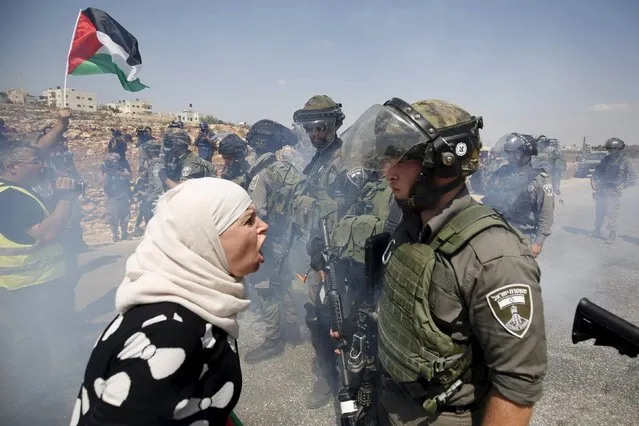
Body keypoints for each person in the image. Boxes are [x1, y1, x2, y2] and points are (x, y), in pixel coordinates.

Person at [337, 98, 547, 426]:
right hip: (388, 403)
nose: (385, 171)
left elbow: (516, 388)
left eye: (398, 158)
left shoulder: (494, 256)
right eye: (384, 158)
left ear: (443, 162)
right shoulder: (409, 226)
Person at [70, 177, 268, 425]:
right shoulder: (170, 333)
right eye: (248, 221)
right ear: (204, 239)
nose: (263, 226)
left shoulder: (195, 306)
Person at [0, 141, 81, 422]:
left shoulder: (20, 192)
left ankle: (44, 383)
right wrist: (64, 198)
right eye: (35, 162)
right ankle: (34, 400)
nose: (42, 166)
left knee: (45, 335)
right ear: (13, 167)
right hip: (25, 285)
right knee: (29, 340)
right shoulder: (11, 196)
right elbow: (46, 233)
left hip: (36, 282)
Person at [292, 94, 348, 408]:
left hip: (340, 259)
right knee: (316, 319)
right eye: (310, 128)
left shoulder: (346, 159)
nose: (315, 134)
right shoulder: (316, 161)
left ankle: (348, 377)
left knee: (343, 320)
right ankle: (326, 376)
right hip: (317, 255)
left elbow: (352, 213)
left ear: (335, 125)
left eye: (321, 127)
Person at [242, 119, 303, 363]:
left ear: (257, 144)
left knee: (266, 289)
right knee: (286, 283)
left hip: (267, 240)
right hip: (288, 241)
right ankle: (293, 330)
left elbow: (257, 214)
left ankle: (273, 340)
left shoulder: (261, 173)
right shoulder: (289, 170)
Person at [482, 133, 554, 257]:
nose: (510, 157)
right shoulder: (501, 173)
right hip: (496, 232)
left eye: (515, 153)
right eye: (509, 153)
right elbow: (488, 198)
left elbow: (546, 213)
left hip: (521, 237)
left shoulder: (538, 179)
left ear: (526, 154)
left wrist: (538, 242)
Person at [590, 137, 637, 244]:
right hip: (602, 188)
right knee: (600, 210)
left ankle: (612, 233)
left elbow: (634, 178)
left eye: (615, 149)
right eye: (611, 149)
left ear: (620, 149)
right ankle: (597, 230)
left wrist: (624, 185)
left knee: (611, 213)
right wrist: (593, 180)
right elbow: (597, 171)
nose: (613, 151)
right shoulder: (605, 160)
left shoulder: (626, 161)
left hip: (614, 191)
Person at [101, 153, 133, 242]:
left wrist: (118, 173)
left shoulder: (122, 169)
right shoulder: (106, 172)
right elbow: (104, 185)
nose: (115, 162)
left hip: (123, 196)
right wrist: (108, 173)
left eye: (116, 160)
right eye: (112, 161)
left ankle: (124, 233)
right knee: (112, 217)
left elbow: (129, 176)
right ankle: (115, 235)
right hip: (111, 198)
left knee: (125, 217)